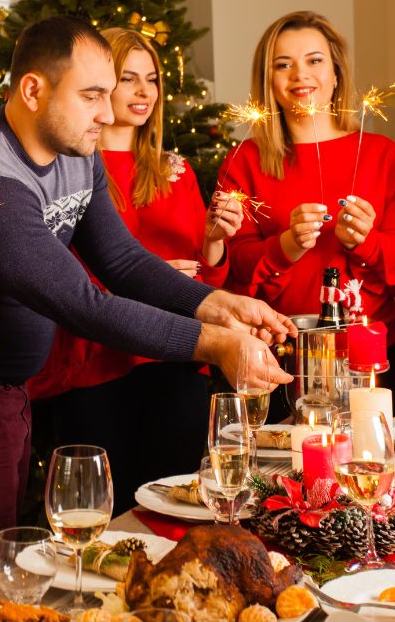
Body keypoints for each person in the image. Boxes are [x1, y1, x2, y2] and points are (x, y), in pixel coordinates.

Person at [0, 15, 295, 617]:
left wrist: (222, 303)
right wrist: (216, 344)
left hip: (9, 396)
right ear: (33, 91)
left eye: (108, 95)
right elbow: (84, 305)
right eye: (91, 96)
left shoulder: (74, 152)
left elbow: (121, 259)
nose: (108, 114)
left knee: (0, 587)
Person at [28, 27, 244, 513]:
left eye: (152, 79)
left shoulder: (176, 171)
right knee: (103, 507)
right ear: (102, 85)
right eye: (129, 78)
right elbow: (59, 273)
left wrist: (213, 241)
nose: (144, 91)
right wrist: (149, 280)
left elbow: (205, 284)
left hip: (173, 364)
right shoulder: (71, 165)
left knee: (177, 501)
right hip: (97, 363)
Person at [220, 11, 395, 396]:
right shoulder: (246, 160)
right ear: (268, 81)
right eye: (283, 64)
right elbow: (228, 267)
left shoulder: (380, 154)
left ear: (335, 73)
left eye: (314, 61)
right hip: (278, 358)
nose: (300, 75)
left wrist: (366, 242)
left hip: (372, 357)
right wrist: (285, 247)